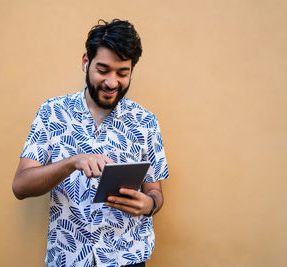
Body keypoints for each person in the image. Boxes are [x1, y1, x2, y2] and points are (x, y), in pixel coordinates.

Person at [12, 19, 169, 267]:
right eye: (103, 70)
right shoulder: (52, 112)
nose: (111, 82)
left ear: (132, 70)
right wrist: (72, 162)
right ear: (86, 62)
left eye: (122, 73)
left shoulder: (146, 122)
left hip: (127, 258)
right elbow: (21, 186)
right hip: (68, 257)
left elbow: (155, 191)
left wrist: (149, 205)